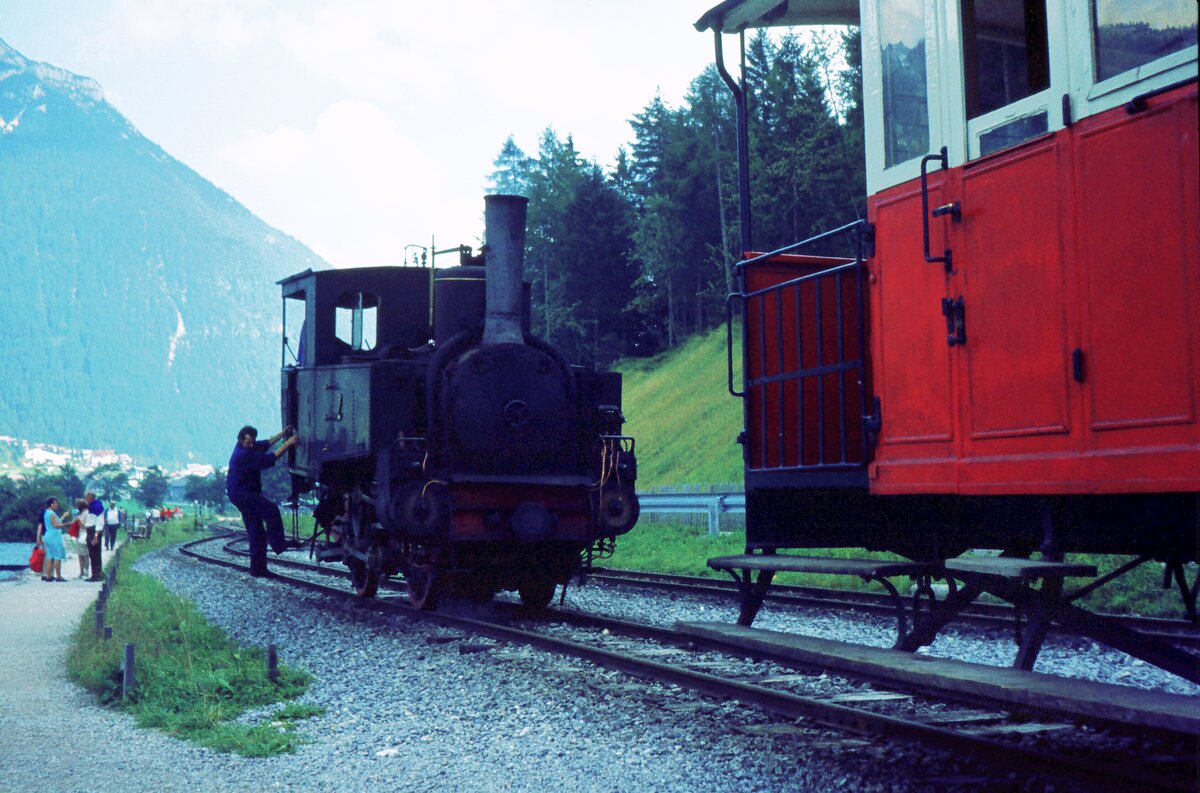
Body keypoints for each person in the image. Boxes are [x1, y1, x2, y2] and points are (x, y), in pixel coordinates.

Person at [226, 425, 299, 577]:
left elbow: (266, 443)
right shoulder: (243, 454)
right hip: (242, 493)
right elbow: (271, 458)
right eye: (248, 443)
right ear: (240, 440)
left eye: (253, 442)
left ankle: (258, 569)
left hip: (240, 492)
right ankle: (279, 544)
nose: (252, 445)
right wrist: (289, 442)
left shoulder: (248, 446)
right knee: (271, 510)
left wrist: (283, 433)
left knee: (256, 530)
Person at [37, 498, 69, 582]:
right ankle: (58, 576)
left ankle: (48, 576)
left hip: (48, 535)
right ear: (51, 504)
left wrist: (64, 517)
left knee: (49, 556)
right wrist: (68, 524)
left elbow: (55, 522)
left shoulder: (46, 513)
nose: (57, 505)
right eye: (55, 503)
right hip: (54, 537)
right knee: (57, 556)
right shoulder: (52, 513)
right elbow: (56, 525)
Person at [84, 491, 104, 582]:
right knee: (92, 554)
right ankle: (95, 573)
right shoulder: (91, 506)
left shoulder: (96, 507)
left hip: (94, 531)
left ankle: (96, 574)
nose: (85, 498)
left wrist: (96, 535)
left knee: (94, 553)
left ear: (91, 497)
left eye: (86, 496)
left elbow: (99, 521)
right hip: (91, 530)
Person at [68, 499, 90, 579]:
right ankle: (81, 571)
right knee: (80, 554)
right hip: (79, 535)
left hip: (84, 535)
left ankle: (86, 571)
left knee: (86, 554)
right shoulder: (80, 513)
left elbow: (86, 525)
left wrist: (80, 522)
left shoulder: (86, 513)